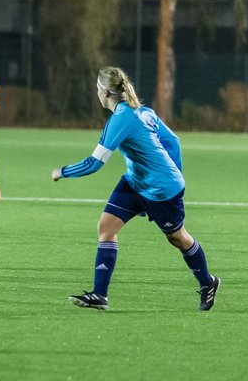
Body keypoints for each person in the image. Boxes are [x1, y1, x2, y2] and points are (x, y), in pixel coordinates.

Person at [51, 66, 219, 312]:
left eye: (97, 89)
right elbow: (173, 142)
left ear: (106, 92)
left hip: (161, 190)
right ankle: (100, 295)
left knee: (177, 238)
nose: (96, 93)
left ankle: (208, 282)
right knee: (106, 227)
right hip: (135, 181)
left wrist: (61, 172)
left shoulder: (121, 119)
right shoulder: (142, 112)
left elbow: (94, 163)